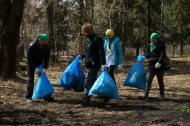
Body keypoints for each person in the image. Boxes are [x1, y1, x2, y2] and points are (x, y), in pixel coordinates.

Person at [80, 23, 106, 106]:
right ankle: (105, 96)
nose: (83, 34)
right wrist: (81, 56)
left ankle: (85, 101)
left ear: (88, 31)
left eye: (84, 32)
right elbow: (89, 52)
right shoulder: (89, 40)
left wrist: (103, 63)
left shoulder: (97, 39)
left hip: (93, 64)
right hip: (89, 64)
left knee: (88, 82)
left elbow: (101, 51)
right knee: (92, 81)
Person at [138, 32, 166, 101]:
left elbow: (162, 55)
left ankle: (162, 95)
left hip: (159, 66)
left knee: (160, 81)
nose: (152, 41)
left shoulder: (161, 45)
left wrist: (159, 62)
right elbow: (150, 53)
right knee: (148, 79)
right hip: (152, 66)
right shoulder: (151, 45)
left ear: (157, 39)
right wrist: (143, 57)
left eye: (153, 40)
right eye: (151, 40)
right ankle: (145, 95)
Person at [26, 33, 52, 102]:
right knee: (31, 80)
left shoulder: (47, 47)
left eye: (47, 41)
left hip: (40, 64)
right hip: (31, 64)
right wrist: (35, 68)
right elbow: (29, 59)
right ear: (40, 40)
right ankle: (28, 97)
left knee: (43, 79)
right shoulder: (32, 46)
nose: (46, 43)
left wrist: (45, 68)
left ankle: (45, 95)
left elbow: (47, 58)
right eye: (44, 42)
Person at [103, 29, 123, 102]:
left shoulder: (116, 41)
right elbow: (104, 51)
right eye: (107, 36)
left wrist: (120, 63)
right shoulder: (106, 41)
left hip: (113, 61)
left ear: (112, 35)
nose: (108, 37)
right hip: (107, 61)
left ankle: (113, 91)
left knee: (109, 74)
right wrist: (102, 62)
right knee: (109, 76)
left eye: (109, 36)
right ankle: (110, 91)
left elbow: (120, 52)